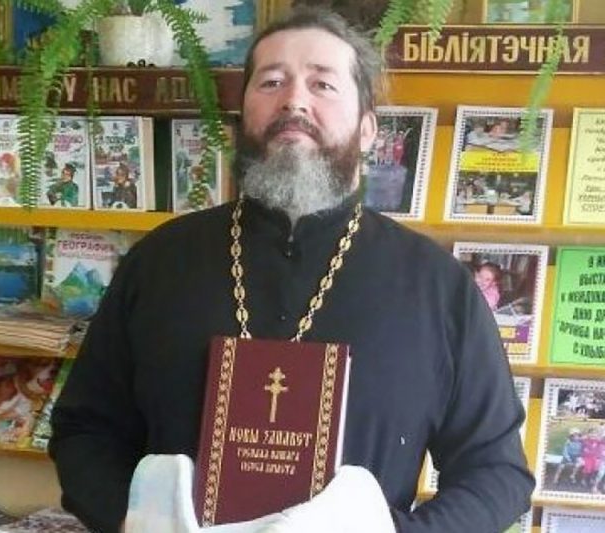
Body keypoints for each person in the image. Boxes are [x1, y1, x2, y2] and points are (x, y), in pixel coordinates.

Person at [49, 7, 534, 533]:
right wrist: (136, 519)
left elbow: (497, 473)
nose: (294, 100)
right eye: (271, 81)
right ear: (243, 116)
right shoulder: (160, 261)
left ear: (368, 129)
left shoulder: (438, 287)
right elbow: (84, 431)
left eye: (322, 84)